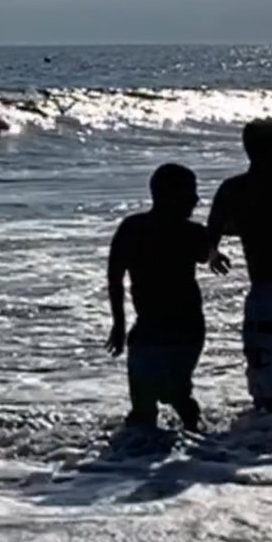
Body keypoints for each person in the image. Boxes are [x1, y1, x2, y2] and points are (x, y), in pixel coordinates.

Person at [106, 163, 210, 431]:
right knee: (143, 404)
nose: (197, 200)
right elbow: (115, 277)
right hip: (148, 326)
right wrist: (118, 325)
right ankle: (137, 459)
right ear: (166, 195)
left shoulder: (192, 232)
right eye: (190, 193)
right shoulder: (133, 229)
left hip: (186, 328)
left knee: (174, 393)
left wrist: (214, 254)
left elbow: (206, 251)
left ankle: (196, 435)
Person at [208, 118, 272, 412]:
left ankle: (256, 440)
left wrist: (214, 254)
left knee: (265, 376)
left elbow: (210, 238)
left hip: (264, 291)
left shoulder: (235, 189)